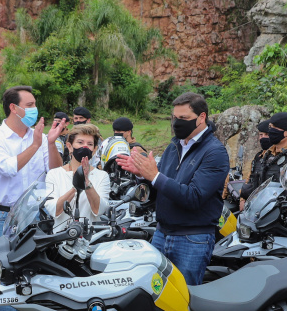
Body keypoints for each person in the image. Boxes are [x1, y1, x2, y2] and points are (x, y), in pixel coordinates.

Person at [117, 92, 229, 286]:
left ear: (201, 117)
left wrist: (155, 176)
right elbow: (159, 190)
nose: (177, 123)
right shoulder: (173, 147)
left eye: (183, 118)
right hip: (162, 233)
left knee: (185, 295)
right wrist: (142, 175)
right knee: (156, 294)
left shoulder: (214, 152)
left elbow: (193, 196)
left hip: (192, 239)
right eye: (174, 118)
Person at [0, 86, 66, 311]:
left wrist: (50, 143)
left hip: (38, 215)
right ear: (13, 108)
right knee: (8, 274)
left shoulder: (39, 137)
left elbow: (56, 171)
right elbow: (9, 168)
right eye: (29, 105)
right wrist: (35, 145)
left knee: (42, 273)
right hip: (6, 216)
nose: (34, 109)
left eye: (34, 104)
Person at [44, 124, 111, 231]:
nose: (85, 147)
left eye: (89, 144)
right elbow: (54, 210)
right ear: (70, 146)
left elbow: (99, 210)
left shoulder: (102, 176)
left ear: (94, 149)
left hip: (90, 237)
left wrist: (87, 184)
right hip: (60, 237)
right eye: (80, 142)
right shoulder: (54, 174)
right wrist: (76, 185)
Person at [238, 120, 272, 207]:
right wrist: (242, 199)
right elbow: (249, 180)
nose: (263, 138)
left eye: (266, 134)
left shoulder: (279, 157)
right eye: (261, 135)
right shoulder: (258, 157)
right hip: (254, 203)